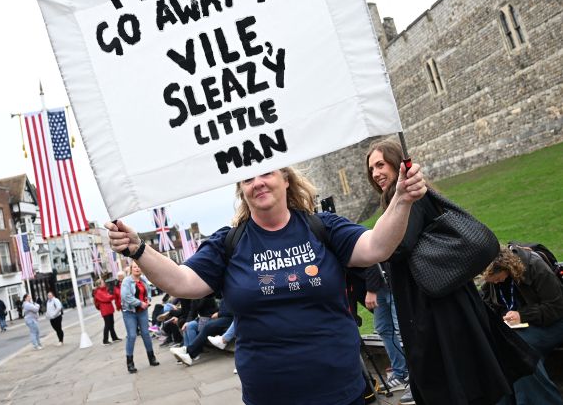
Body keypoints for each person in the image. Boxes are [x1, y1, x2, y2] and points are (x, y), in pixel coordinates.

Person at [107, 161, 426, 405]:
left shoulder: (322, 227)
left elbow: (377, 247)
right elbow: (182, 281)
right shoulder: (227, 243)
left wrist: (401, 198)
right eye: (248, 178)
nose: (258, 182)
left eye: (266, 173)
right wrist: (138, 249)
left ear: (286, 179)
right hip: (269, 392)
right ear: (241, 191)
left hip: (340, 388)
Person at [365, 138, 538, 405]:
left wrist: (378, 236)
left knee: (455, 380)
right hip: (431, 299)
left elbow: (399, 247)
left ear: (397, 164)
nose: (376, 173)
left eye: (380, 164)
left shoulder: (411, 198)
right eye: (371, 169)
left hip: (438, 307)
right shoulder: (396, 201)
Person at [482, 246, 563, 405]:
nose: (496, 283)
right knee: (497, 345)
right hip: (522, 327)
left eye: (497, 278)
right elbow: (487, 302)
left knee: (518, 348)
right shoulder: (492, 280)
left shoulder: (534, 266)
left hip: (554, 323)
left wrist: (523, 315)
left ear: (505, 267)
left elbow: (557, 306)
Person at [364, 262, 409, 392]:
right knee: (383, 328)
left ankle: (417, 379)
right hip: (378, 285)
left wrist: (371, 289)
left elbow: (372, 256)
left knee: (404, 328)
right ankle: (401, 373)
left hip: (392, 279)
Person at [120, 261, 160, 373]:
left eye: (139, 266)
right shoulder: (126, 281)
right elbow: (125, 296)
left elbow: (149, 292)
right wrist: (139, 303)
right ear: (131, 269)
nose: (137, 268)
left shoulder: (143, 280)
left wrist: (148, 300)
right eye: (135, 267)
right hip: (129, 312)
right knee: (132, 336)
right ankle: (130, 363)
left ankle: (152, 358)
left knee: (146, 334)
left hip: (142, 311)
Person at [93, 279, 121, 345]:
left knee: (111, 324)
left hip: (109, 309)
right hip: (105, 310)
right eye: (103, 282)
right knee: (107, 325)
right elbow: (106, 298)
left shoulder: (104, 290)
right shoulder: (98, 292)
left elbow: (109, 296)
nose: (104, 283)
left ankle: (114, 337)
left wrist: (111, 296)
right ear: (99, 284)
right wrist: (111, 296)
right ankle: (105, 340)